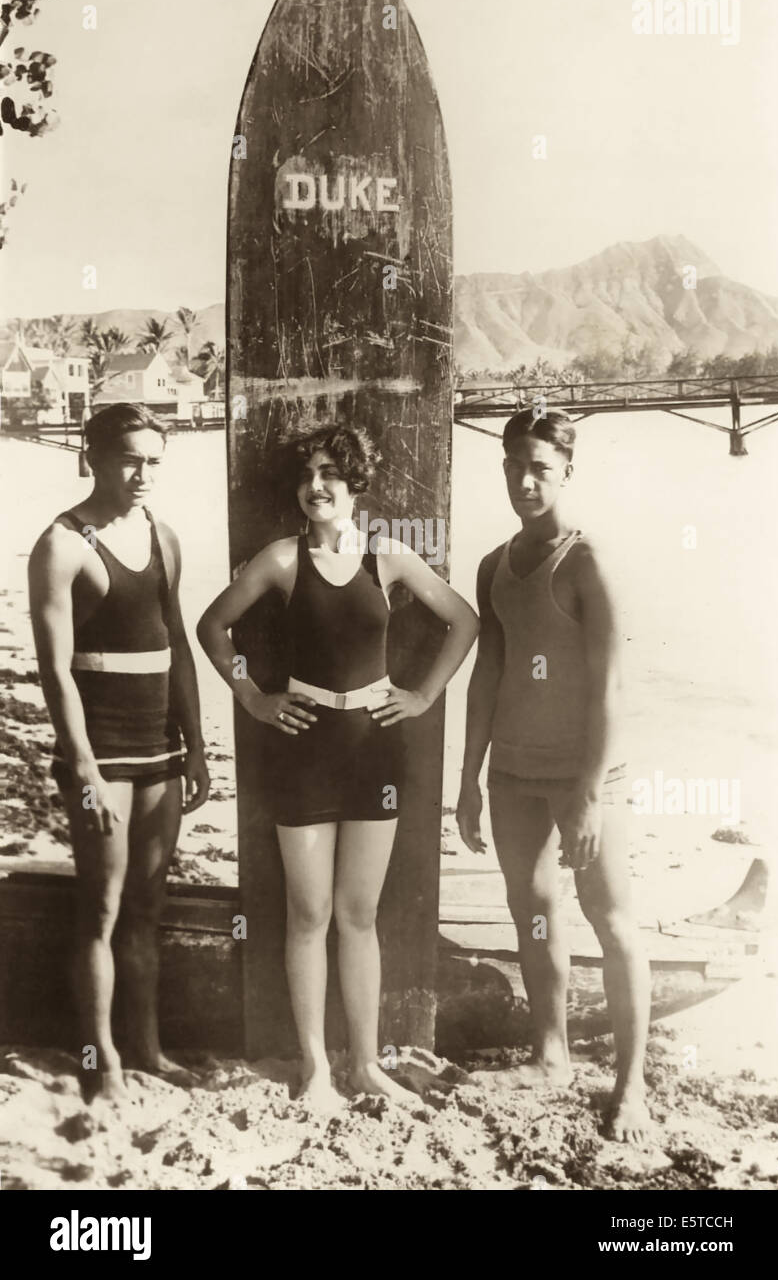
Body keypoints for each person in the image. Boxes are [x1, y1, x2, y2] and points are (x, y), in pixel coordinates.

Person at [198, 421, 478, 1110]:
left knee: (357, 915)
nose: (315, 486)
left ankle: (365, 1064)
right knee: (307, 912)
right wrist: (253, 697)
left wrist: (422, 695)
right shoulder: (280, 559)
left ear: (355, 483)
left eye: (330, 473)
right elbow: (211, 626)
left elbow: (464, 621)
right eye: (307, 475)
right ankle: (317, 1068)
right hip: (302, 751)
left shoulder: (387, 556)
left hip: (374, 751)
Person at [456, 407, 650, 1142]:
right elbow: (488, 674)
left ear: (567, 468)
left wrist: (590, 796)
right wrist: (467, 778)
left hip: (585, 775)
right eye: (513, 465)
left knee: (611, 919)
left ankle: (630, 1087)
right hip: (512, 772)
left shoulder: (587, 560)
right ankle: (550, 1053)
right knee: (532, 911)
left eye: (539, 466)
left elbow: (610, 689)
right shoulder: (492, 564)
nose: (524, 480)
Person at [28, 402, 210, 1102]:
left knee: (147, 906)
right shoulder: (63, 543)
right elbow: (54, 671)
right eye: (130, 458)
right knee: (100, 909)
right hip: (101, 749)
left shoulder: (163, 535)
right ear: (93, 456)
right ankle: (99, 1057)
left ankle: (149, 1049)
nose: (143, 473)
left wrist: (196, 747)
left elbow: (179, 647)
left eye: (154, 460)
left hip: (160, 743)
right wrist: (82, 768)